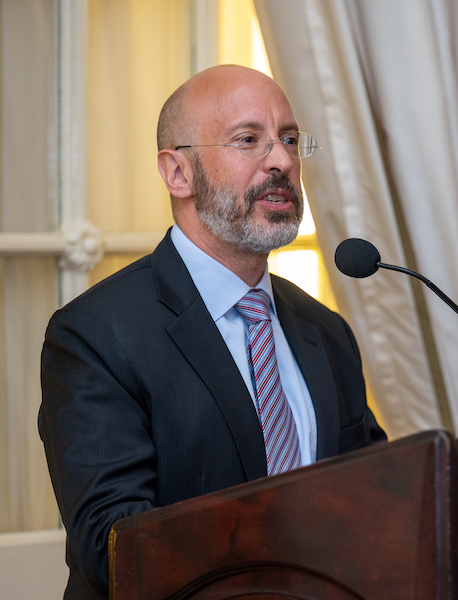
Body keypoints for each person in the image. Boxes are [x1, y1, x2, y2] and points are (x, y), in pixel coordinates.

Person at [39, 65, 386, 600]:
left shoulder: (326, 330)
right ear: (178, 172)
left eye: (289, 140)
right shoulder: (95, 334)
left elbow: (375, 495)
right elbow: (114, 544)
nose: (282, 161)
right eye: (249, 140)